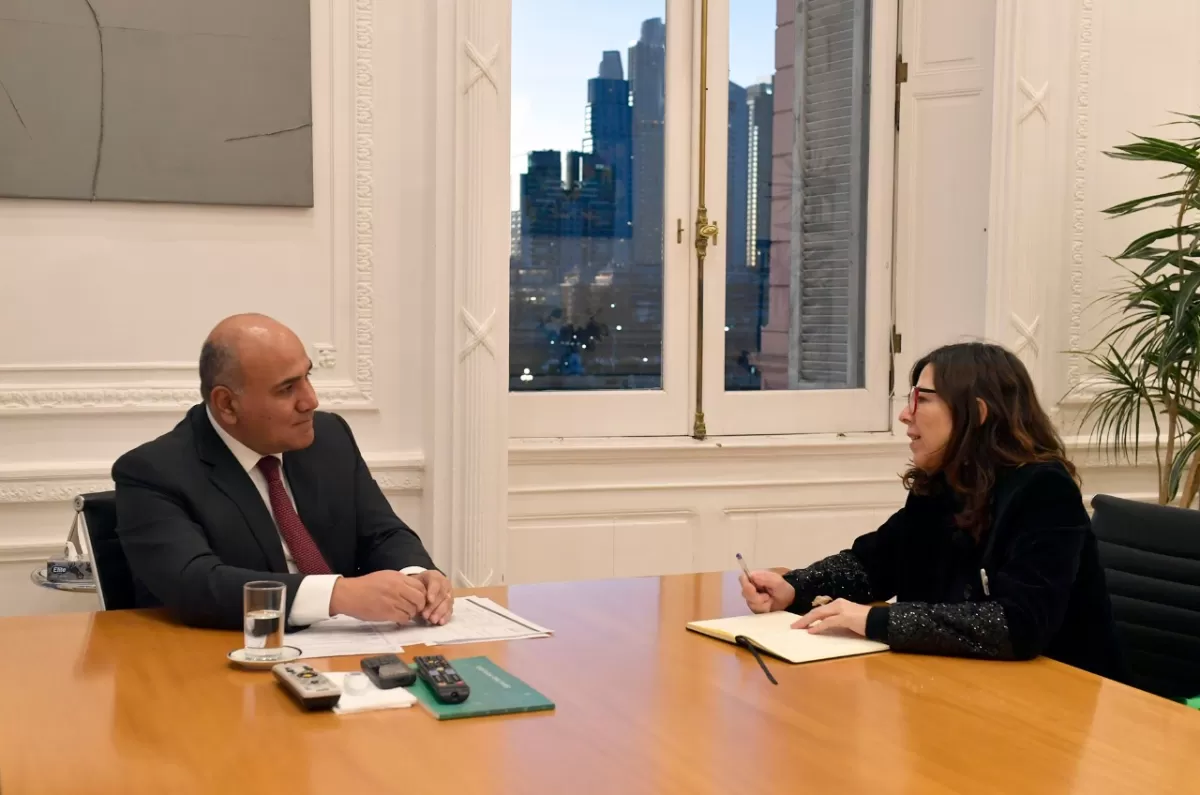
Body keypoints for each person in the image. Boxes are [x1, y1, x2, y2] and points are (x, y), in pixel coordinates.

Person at [741, 342, 1125, 680]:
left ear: (976, 413)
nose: (905, 416)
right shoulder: (944, 483)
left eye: (921, 400)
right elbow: (875, 563)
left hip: (1056, 700)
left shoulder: (1044, 490)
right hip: (961, 687)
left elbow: (1019, 625)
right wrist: (795, 588)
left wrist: (875, 621)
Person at [113, 313, 453, 630]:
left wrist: (417, 575)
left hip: (346, 653)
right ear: (227, 404)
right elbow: (197, 583)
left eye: (308, 376)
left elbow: (382, 533)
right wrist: (336, 596)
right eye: (287, 389)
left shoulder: (329, 436)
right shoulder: (152, 473)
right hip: (228, 656)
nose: (311, 401)